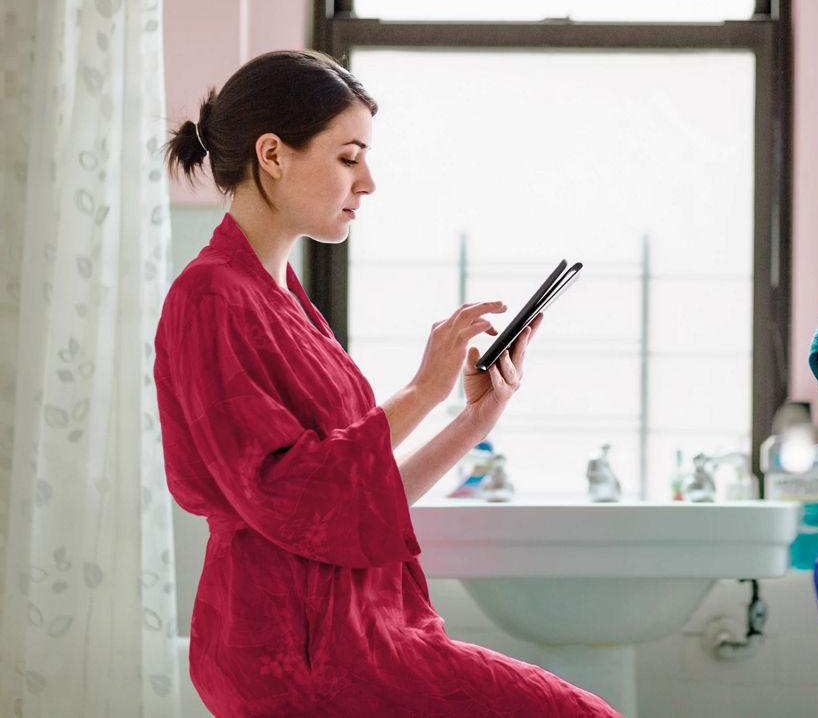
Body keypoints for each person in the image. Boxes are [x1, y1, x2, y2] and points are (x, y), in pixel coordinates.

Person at [155, 50, 620, 717]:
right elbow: (286, 494)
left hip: (353, 631)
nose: (367, 182)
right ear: (273, 154)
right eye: (348, 158)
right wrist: (423, 391)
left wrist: (470, 420)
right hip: (295, 649)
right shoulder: (210, 297)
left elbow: (353, 499)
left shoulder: (281, 296)